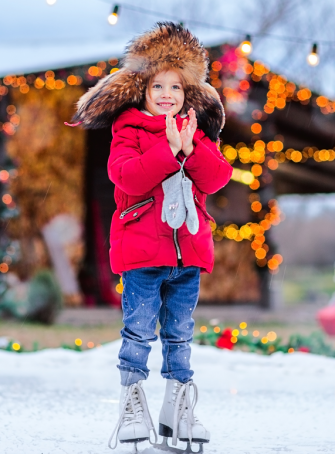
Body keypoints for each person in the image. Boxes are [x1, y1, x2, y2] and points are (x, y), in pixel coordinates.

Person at [71, 22, 232, 451]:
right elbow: (128, 176)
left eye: (176, 87)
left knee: (180, 333)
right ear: (142, 89)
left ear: (187, 93)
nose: (167, 94)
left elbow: (218, 177)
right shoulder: (129, 131)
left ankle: (177, 405)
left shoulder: (194, 131)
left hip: (189, 255)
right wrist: (167, 149)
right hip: (142, 256)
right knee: (139, 331)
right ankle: (131, 402)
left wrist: (190, 148)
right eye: (158, 85)